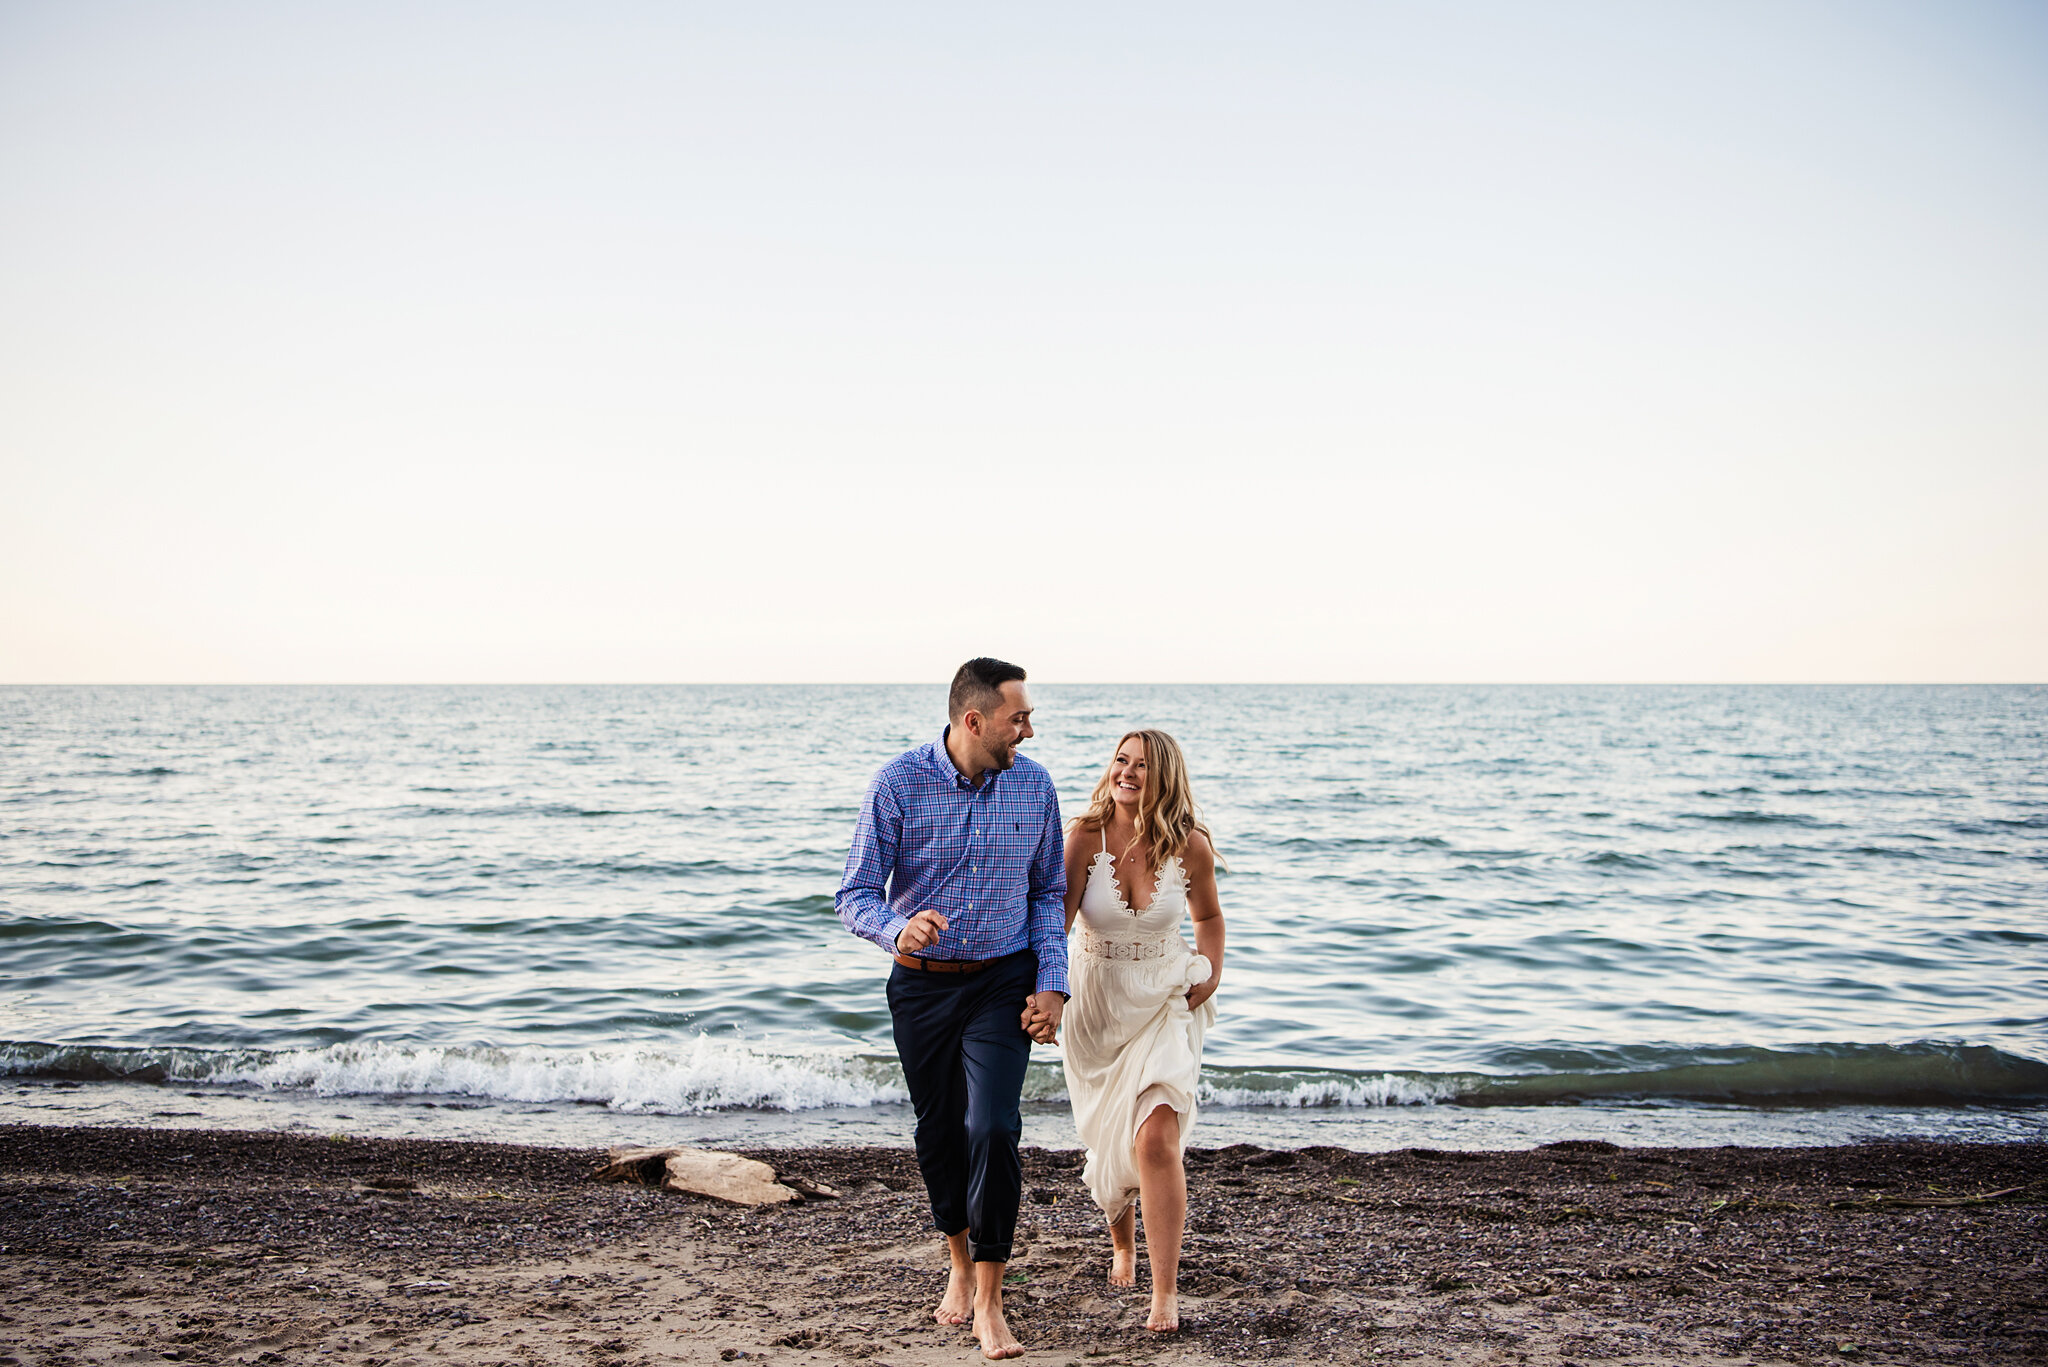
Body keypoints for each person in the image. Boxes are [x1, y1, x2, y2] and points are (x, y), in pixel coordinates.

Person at [835, 658, 1069, 1362]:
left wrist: (1052, 983)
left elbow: (1048, 893)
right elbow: (853, 894)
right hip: (923, 986)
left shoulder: (1034, 785)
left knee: (993, 1126)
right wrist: (894, 928)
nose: (1028, 729)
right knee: (939, 1131)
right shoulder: (897, 783)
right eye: (1017, 718)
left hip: (1003, 981)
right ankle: (960, 1264)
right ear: (974, 721)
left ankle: (992, 1300)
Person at [1044, 728, 1224, 1333]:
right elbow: (1056, 925)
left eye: (1142, 766)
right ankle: (1121, 1240)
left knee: (1154, 1139)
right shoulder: (1084, 837)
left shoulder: (1190, 845)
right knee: (1109, 1140)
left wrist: (1213, 970)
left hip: (1166, 999)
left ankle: (1165, 1293)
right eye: (1121, 761)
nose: (1127, 773)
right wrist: (1043, 997)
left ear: (1164, 775)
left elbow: (1209, 916)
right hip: (1096, 1008)